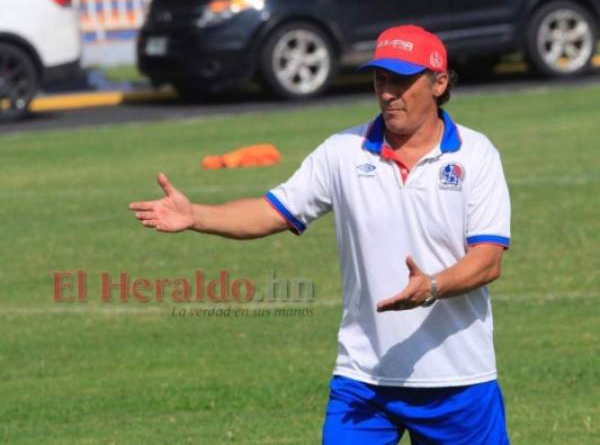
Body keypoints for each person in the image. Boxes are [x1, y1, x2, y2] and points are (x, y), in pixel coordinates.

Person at [129, 24, 511, 445]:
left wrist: (432, 286)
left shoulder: (476, 155)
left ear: (439, 83)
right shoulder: (342, 152)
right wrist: (196, 214)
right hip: (365, 377)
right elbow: (272, 212)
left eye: (401, 81)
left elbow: (488, 260)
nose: (387, 92)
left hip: (458, 378)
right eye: (380, 79)